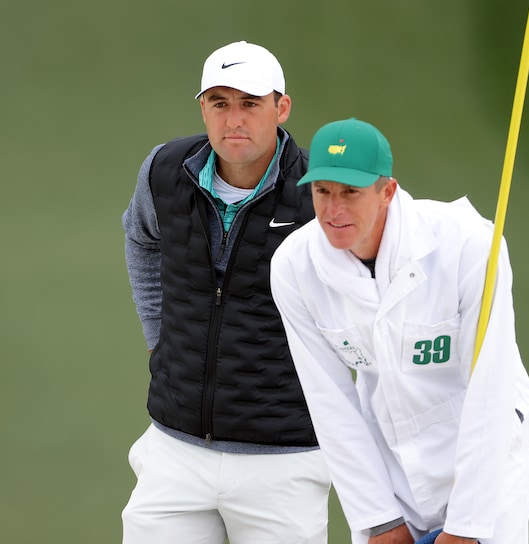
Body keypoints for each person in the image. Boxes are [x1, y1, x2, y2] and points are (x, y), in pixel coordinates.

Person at [270, 118, 529, 544]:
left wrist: (465, 527)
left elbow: (489, 390)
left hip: (487, 454)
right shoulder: (293, 266)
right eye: (322, 191)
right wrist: (379, 520)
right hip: (389, 455)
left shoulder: (470, 245)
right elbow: (331, 404)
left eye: (350, 193)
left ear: (388, 191)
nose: (333, 209)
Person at [120, 41, 329, 544]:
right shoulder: (166, 170)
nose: (234, 119)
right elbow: (140, 237)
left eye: (250, 104)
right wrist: (157, 336)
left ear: (281, 108)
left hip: (285, 461)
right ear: (203, 109)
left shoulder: (320, 190)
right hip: (175, 449)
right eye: (220, 103)